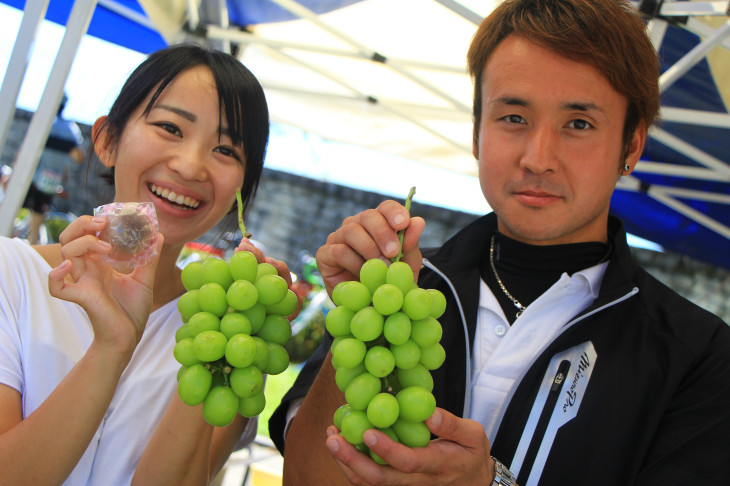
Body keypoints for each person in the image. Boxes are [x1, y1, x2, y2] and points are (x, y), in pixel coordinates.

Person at [270, 0, 730, 484]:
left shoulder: (698, 356)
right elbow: (306, 477)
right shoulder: (399, 292)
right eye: (513, 117)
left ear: (630, 145)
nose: (538, 158)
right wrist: (356, 328)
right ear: (476, 133)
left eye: (578, 124)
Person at [0, 43, 293, 485]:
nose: (191, 166)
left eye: (226, 151)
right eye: (170, 127)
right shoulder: (9, 275)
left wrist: (225, 349)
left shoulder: (230, 333)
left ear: (242, 189)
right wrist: (110, 349)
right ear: (107, 140)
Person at [21, 94, 85, 244]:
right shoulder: (70, 129)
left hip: (32, 176)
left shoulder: (44, 123)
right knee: (37, 219)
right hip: (52, 180)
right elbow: (78, 156)